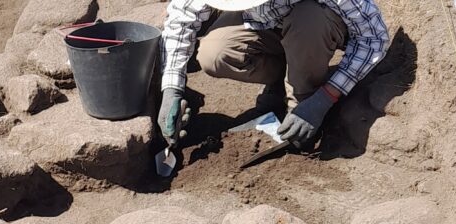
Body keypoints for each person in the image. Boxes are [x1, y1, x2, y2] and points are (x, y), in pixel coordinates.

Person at [158, 0, 389, 150]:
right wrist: (172, 89)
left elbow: (374, 38)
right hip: (263, 22)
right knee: (214, 53)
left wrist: (325, 98)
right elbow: (182, 17)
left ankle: (303, 98)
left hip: (313, 22)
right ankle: (283, 80)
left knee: (308, 20)